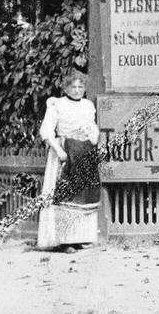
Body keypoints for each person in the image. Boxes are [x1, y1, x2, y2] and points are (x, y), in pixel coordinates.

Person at [37, 69, 101, 251]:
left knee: (82, 195)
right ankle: (64, 241)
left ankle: (79, 237)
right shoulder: (57, 105)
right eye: (73, 87)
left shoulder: (88, 105)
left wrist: (91, 137)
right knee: (65, 195)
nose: (77, 90)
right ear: (66, 88)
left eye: (80, 87)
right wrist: (60, 151)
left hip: (83, 151)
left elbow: (92, 128)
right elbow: (47, 132)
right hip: (64, 153)